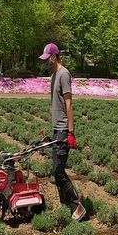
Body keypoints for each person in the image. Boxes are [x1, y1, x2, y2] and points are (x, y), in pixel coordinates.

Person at [39, 42, 85, 221]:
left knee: (58, 171)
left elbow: (69, 103)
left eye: (46, 60)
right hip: (56, 128)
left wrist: (70, 132)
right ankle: (67, 207)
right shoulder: (53, 76)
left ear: (53, 57)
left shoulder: (64, 74)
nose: (45, 64)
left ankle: (76, 206)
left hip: (63, 129)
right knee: (55, 170)